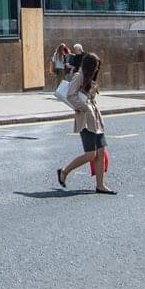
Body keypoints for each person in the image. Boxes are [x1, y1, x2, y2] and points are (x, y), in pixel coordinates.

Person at [56, 51, 114, 195]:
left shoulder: (89, 78)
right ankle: (64, 171)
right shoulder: (79, 76)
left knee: (100, 152)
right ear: (89, 66)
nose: (96, 70)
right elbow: (71, 95)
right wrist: (84, 107)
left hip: (96, 119)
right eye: (95, 67)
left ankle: (100, 185)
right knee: (90, 154)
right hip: (85, 119)